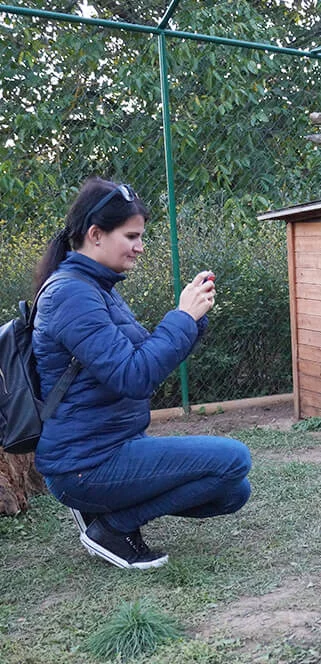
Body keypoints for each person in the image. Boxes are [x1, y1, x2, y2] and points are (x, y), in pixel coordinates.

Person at [31, 177, 252, 570]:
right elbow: (133, 375)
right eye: (131, 236)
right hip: (84, 464)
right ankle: (112, 527)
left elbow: (143, 357)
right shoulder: (70, 294)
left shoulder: (98, 287)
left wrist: (193, 319)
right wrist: (182, 317)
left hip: (112, 446)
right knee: (233, 459)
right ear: (95, 235)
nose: (139, 246)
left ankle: (105, 513)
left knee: (234, 490)